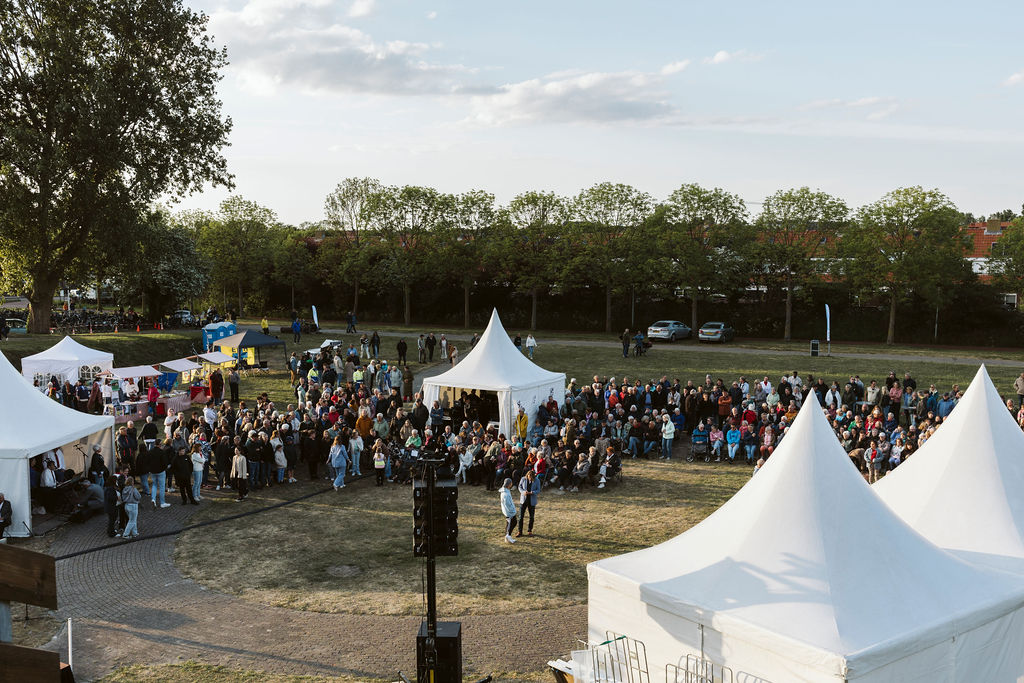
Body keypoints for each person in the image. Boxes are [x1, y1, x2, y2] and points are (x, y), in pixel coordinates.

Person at [517, 469, 540, 537]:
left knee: (531, 517)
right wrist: (523, 492)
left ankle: (530, 530)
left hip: (532, 501)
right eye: (529, 477)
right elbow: (519, 487)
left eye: (531, 478)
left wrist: (532, 492)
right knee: (521, 517)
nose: (530, 479)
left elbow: (538, 490)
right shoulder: (523, 479)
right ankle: (519, 531)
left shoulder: (537, 480)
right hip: (523, 500)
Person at [500, 477, 518, 544]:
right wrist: (512, 512)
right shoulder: (506, 494)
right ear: (509, 484)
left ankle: (507, 536)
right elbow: (508, 504)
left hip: (508, 511)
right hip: (509, 512)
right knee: (512, 523)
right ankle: (508, 536)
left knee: (510, 523)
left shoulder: (505, 491)